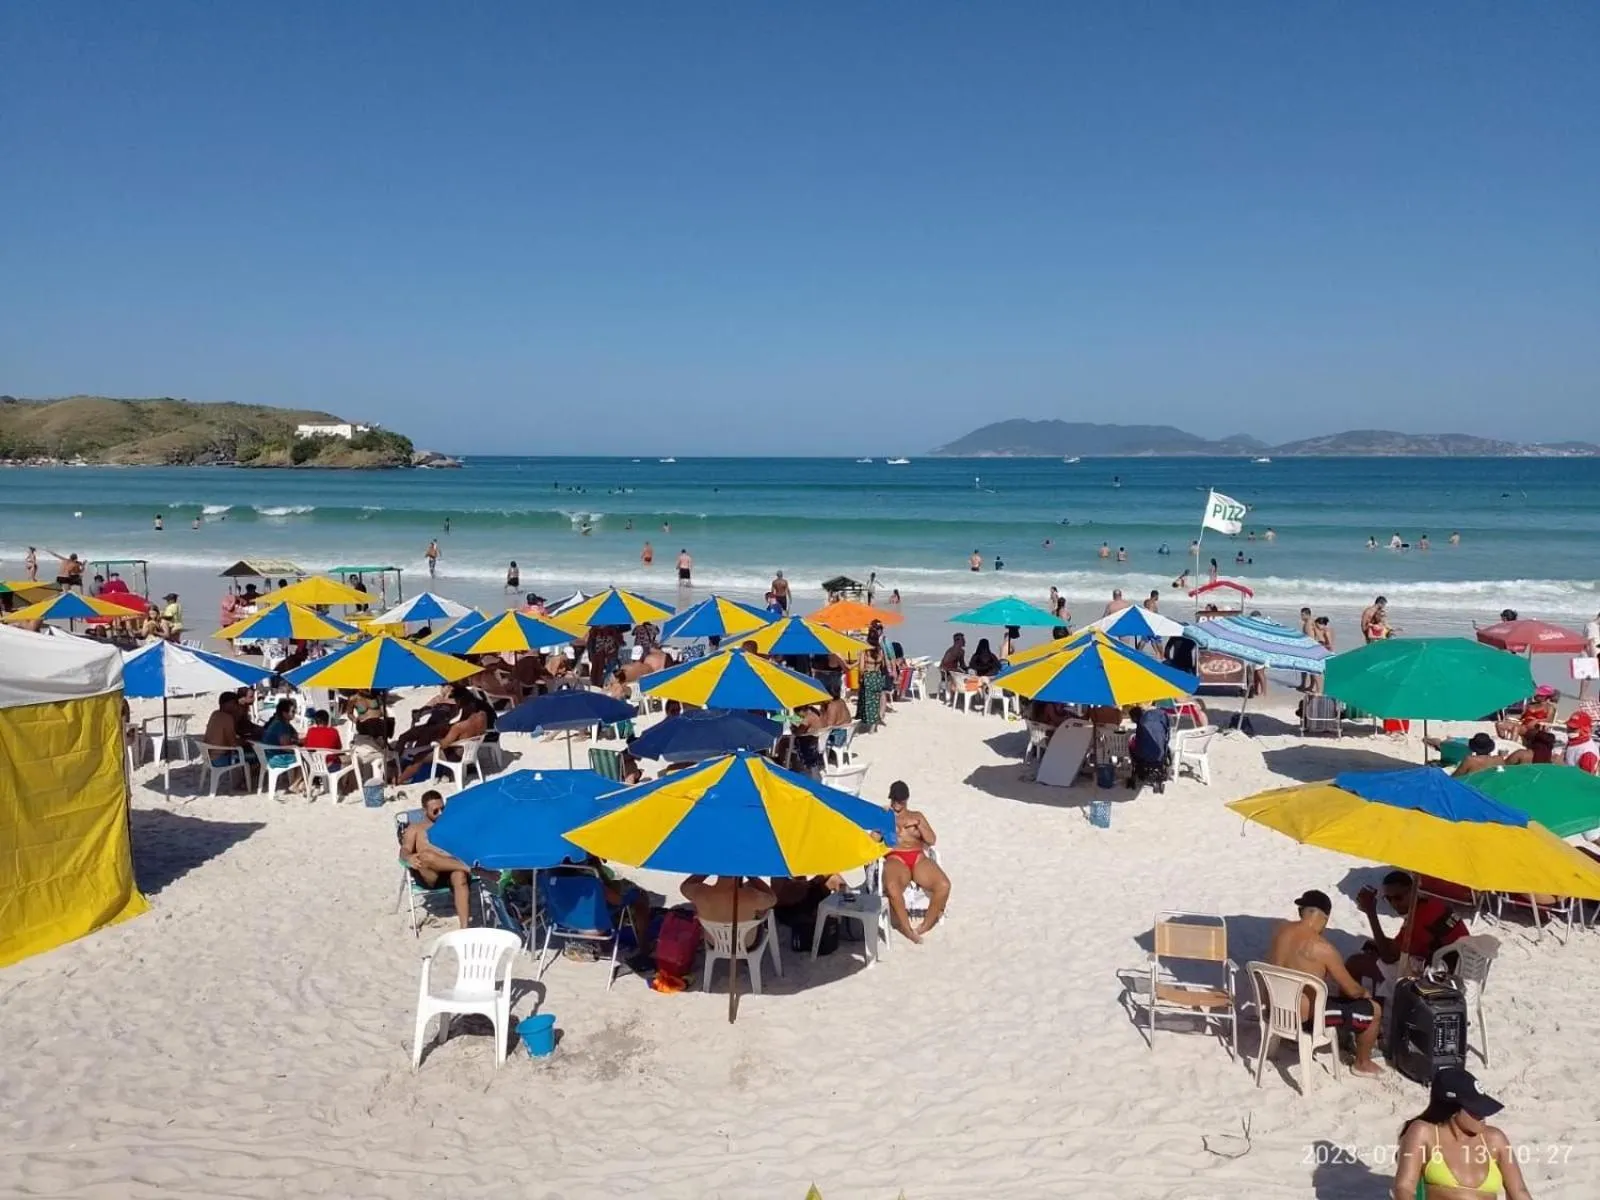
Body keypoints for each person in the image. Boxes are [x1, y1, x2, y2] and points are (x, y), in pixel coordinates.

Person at [1266, 889, 1383, 1076]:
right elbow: (1352, 990)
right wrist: (1364, 993)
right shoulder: (1323, 949)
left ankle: (1287, 1039)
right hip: (1302, 1019)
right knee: (1374, 1010)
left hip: (1273, 1008)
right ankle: (1363, 1063)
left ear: (1302, 912)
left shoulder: (1278, 930)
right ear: (1325, 918)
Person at [1391, 1067, 1533, 1200]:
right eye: (1475, 1110)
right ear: (1452, 1110)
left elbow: (1519, 1192)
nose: (1483, 1115)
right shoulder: (1424, 1132)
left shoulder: (1495, 1139)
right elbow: (1404, 1188)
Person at [1346, 871, 1470, 993]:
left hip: (1438, 979)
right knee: (1373, 946)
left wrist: (1371, 913)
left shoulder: (1419, 919)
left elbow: (1388, 957)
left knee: (1355, 962)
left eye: (1398, 897)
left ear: (1412, 891)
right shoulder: (1434, 904)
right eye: (1388, 899)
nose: (1394, 904)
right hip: (1458, 963)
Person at [882, 781, 950, 943]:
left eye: (900, 801)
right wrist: (883, 823)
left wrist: (919, 826)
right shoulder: (885, 815)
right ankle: (907, 929)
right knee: (892, 888)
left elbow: (932, 840)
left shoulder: (917, 816)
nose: (896, 804)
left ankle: (925, 925)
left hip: (918, 857)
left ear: (906, 800)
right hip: (895, 857)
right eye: (894, 800)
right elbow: (872, 840)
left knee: (944, 885)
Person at [400, 791, 476, 928]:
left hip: (453, 870)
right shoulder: (415, 828)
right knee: (426, 855)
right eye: (435, 811)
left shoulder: (452, 825)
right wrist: (408, 857)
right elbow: (404, 849)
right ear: (424, 810)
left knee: (460, 876)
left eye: (443, 809)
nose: (440, 813)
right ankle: (472, 870)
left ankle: (465, 928)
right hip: (430, 875)